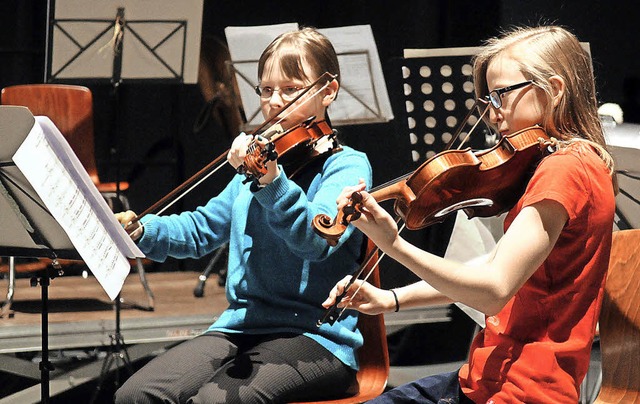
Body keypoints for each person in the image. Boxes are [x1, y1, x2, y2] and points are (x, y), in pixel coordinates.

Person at [323, 25, 617, 403]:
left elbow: (493, 290)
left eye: (500, 95)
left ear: (555, 89)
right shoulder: (572, 163)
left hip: (523, 390)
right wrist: (389, 299)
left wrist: (393, 244)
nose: (492, 113)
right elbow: (489, 266)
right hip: (486, 380)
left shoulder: (565, 169)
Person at [114, 27, 372, 404]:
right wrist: (143, 231)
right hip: (242, 327)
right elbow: (203, 228)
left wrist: (271, 183)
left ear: (328, 91)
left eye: (291, 89)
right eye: (266, 90)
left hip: (318, 338)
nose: (275, 103)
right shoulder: (261, 164)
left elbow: (315, 241)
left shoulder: (346, 167)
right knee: (137, 395)